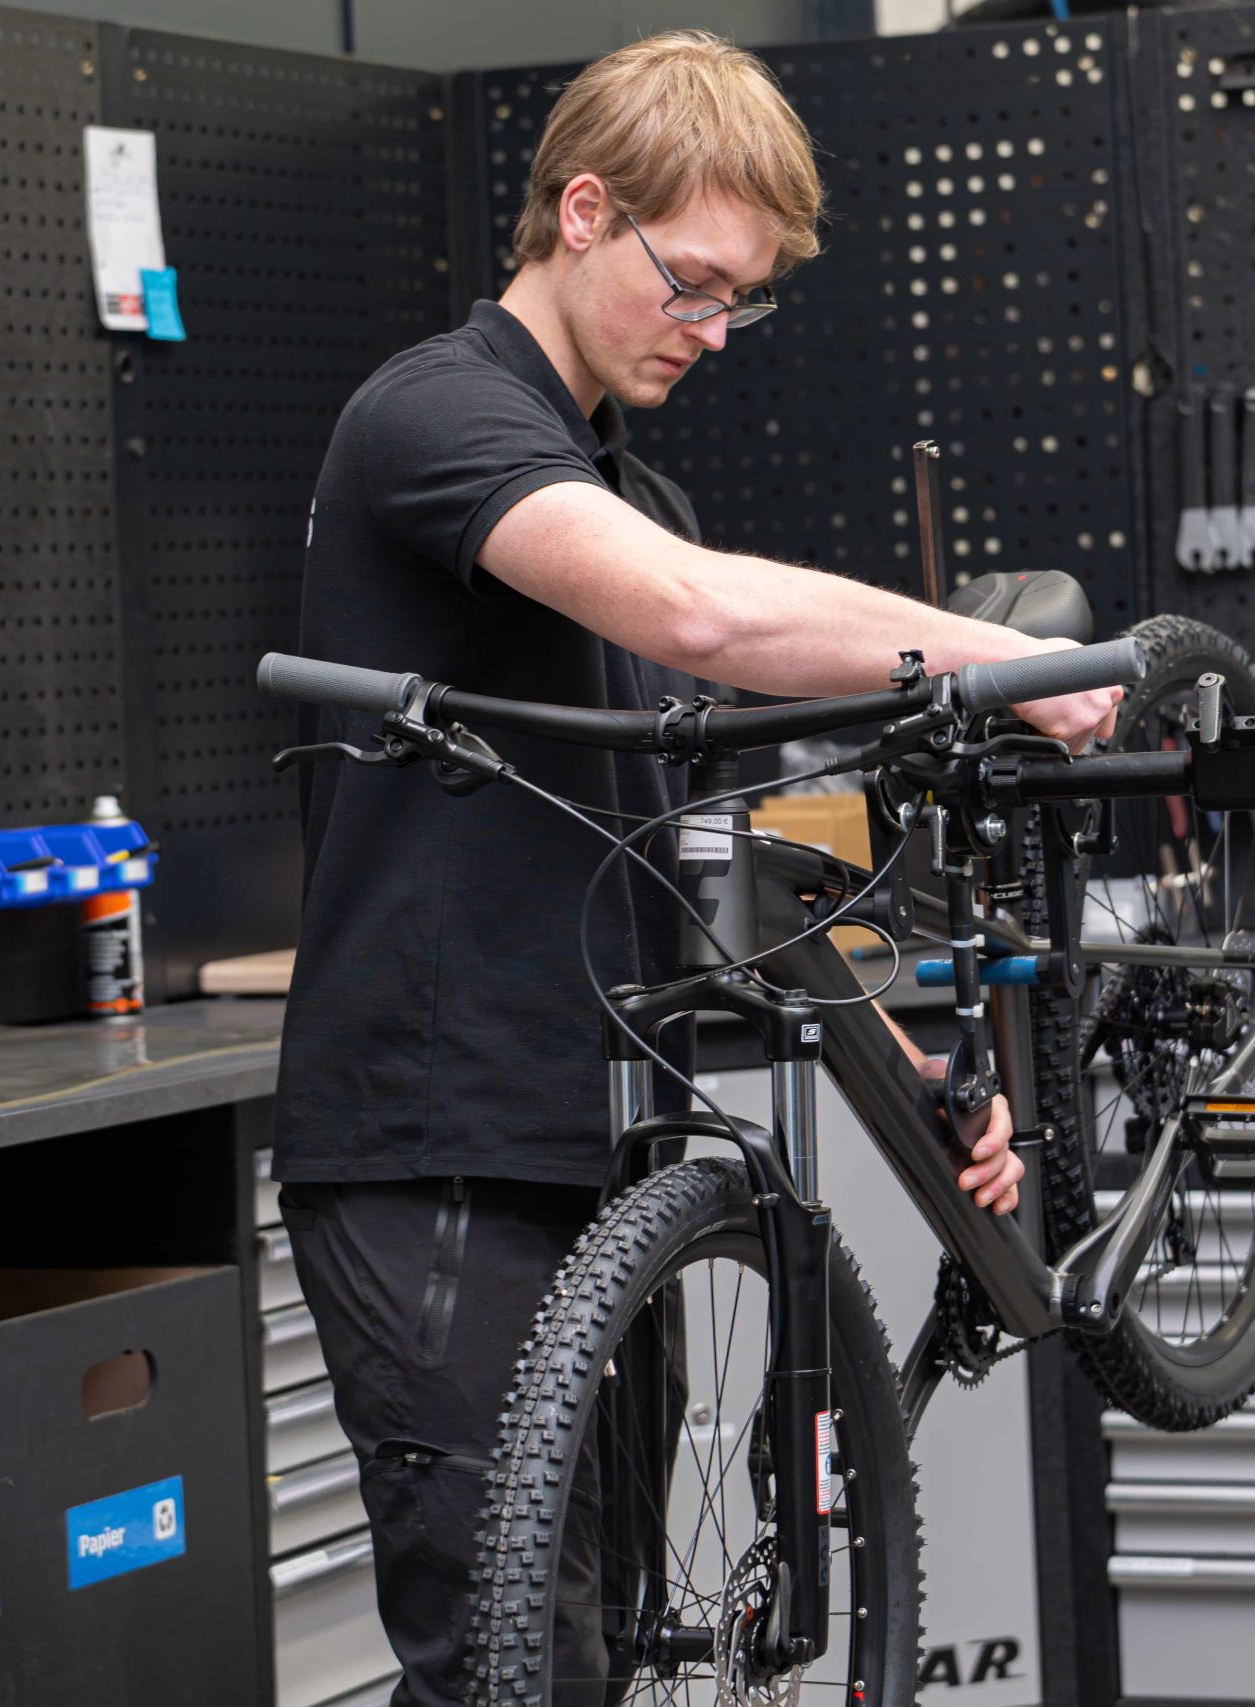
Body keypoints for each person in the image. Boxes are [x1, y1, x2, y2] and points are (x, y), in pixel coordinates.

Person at [269, 29, 1121, 1704]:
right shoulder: (436, 416)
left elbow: (711, 868)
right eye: (694, 282)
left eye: (743, 302)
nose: (714, 332)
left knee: (616, 1648)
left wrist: (924, 1084)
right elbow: (705, 615)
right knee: (522, 1666)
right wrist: (987, 660)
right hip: (439, 1146)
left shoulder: (623, 486)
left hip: (608, 1153)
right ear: (583, 212)